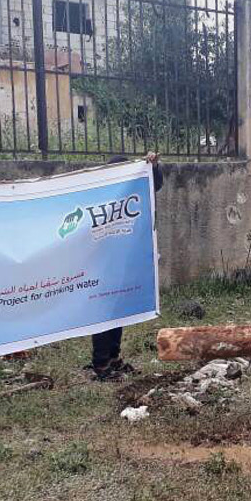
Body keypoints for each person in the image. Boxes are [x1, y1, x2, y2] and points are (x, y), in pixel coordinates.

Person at [87, 152, 164, 381]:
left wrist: (153, 166)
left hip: (122, 262)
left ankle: (113, 357)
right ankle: (101, 364)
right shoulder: (99, 194)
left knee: (118, 311)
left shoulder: (135, 193)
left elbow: (155, 184)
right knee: (103, 312)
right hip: (101, 265)